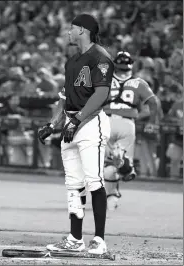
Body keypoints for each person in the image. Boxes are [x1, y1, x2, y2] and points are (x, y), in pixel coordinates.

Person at [38, 14, 114, 255]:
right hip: (71, 124)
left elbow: (101, 94)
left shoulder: (100, 57)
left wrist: (78, 121)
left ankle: (99, 241)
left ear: (83, 30)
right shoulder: (72, 61)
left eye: (71, 28)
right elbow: (65, 99)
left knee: (94, 180)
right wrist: (53, 124)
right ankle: (75, 239)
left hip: (90, 123)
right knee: (73, 185)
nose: (68, 32)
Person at [102, 51, 160, 210]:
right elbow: (154, 103)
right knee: (118, 162)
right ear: (131, 65)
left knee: (106, 165)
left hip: (106, 122)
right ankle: (125, 167)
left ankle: (112, 195)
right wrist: (152, 123)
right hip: (127, 124)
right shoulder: (139, 82)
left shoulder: (105, 81)